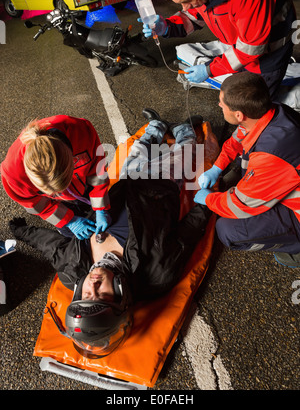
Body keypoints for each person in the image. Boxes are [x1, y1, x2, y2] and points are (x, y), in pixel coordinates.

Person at [9, 111, 211, 357]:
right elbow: (188, 233)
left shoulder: (73, 270)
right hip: (160, 185)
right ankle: (185, 130)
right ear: (121, 293)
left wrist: (22, 230)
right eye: (101, 294)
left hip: (124, 183)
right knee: (186, 150)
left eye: (86, 294)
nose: (92, 284)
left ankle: (157, 126)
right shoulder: (157, 273)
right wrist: (207, 202)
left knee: (141, 147)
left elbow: (50, 244)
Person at [140, 0, 296, 98]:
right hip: (243, 45)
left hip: (268, 51)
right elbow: (197, 14)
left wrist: (209, 69)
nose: (186, 8)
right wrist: (167, 27)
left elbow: (251, 47)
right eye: (181, 2)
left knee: (252, 105)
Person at [193, 72, 300, 268]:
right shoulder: (268, 113)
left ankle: (295, 248)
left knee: (227, 230)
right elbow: (234, 143)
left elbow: (239, 205)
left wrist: (208, 199)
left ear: (238, 114)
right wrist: (217, 168)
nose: (219, 105)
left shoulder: (272, 153)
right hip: (284, 176)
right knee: (245, 154)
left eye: (221, 103)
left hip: (297, 210)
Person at [1, 115, 111, 240]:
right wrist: (69, 221)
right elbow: (35, 204)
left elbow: (98, 171)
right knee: (71, 236)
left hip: (82, 183)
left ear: (73, 159)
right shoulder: (12, 172)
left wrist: (101, 207)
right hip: (53, 203)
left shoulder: (81, 132)